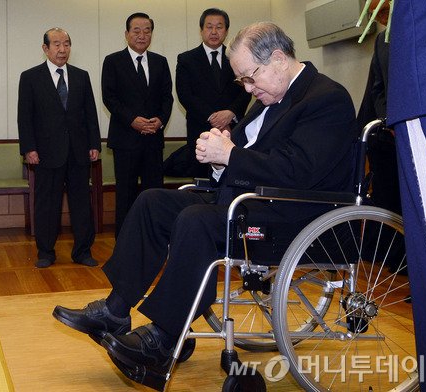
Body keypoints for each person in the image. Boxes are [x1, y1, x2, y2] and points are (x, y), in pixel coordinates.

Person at [53, 22, 357, 389]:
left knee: (197, 220)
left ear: (278, 59)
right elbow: (245, 158)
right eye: (242, 82)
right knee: (152, 202)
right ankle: (115, 311)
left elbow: (298, 171)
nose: (248, 88)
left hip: (296, 215)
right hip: (250, 202)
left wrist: (230, 155)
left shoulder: (326, 99)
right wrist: (219, 161)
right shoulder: (267, 98)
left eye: (250, 77)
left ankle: (164, 337)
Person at [18, 28, 101, 268]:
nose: (62, 49)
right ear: (45, 48)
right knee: (46, 204)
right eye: (56, 44)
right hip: (45, 153)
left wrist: (94, 143)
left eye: (66, 44)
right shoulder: (31, 77)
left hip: (78, 151)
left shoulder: (81, 76)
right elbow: (25, 117)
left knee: (81, 204)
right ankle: (45, 252)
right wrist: (28, 148)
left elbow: (90, 114)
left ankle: (83, 251)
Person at [101, 12, 173, 237]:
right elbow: (109, 97)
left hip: (153, 138)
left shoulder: (160, 62)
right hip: (125, 139)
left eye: (147, 30)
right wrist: (132, 120)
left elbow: (167, 97)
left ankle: (154, 236)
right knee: (126, 193)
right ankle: (125, 237)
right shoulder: (113, 61)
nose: (142, 35)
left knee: (154, 192)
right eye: (137, 30)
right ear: (126, 34)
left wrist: (160, 120)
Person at [167, 8, 251, 178]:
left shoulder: (238, 57)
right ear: (201, 30)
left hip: (233, 129)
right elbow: (185, 95)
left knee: (232, 179)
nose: (214, 32)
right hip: (200, 129)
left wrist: (230, 113)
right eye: (209, 27)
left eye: (219, 27)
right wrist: (214, 118)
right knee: (201, 181)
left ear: (226, 31)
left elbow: (247, 89)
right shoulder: (186, 59)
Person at [357, 0, 400, 214]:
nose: (379, 19)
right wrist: (389, 119)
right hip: (390, 135)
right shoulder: (382, 40)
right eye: (373, 14)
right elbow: (377, 88)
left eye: (382, 11)